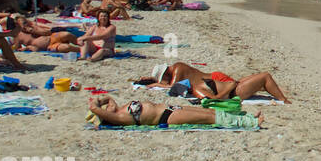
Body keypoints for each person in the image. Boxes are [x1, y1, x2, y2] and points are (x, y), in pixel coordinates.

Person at [137, 62, 291, 102]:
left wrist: (156, 84)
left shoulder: (177, 69)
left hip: (216, 79)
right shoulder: (181, 74)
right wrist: (151, 81)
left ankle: (280, 96)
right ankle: (281, 98)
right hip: (217, 82)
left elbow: (171, 86)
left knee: (259, 79)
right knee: (261, 78)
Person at [87, 94, 263, 128]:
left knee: (208, 112)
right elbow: (94, 107)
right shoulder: (119, 117)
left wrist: (102, 100)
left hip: (168, 108)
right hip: (165, 117)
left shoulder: (119, 108)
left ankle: (246, 116)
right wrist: (96, 106)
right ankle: (250, 122)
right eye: (106, 109)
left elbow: (107, 98)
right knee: (209, 119)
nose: (108, 105)